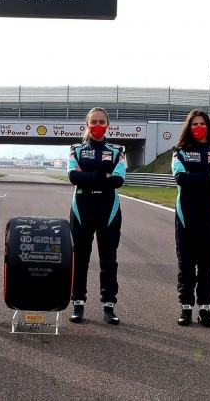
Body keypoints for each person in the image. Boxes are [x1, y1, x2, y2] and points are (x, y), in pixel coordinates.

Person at [171, 109, 210, 328]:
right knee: (185, 263)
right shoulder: (180, 151)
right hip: (186, 213)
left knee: (207, 264)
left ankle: (205, 308)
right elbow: (181, 178)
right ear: (189, 126)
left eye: (202, 124)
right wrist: (209, 175)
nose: (198, 128)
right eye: (194, 124)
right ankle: (186, 307)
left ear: (208, 126)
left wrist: (197, 177)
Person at [67, 107, 126, 325]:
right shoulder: (76, 150)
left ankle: (108, 305)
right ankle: (78, 303)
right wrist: (104, 174)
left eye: (102, 121)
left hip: (108, 209)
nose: (98, 125)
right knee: (79, 258)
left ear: (108, 125)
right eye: (94, 121)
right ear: (87, 124)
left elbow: (118, 180)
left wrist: (89, 176)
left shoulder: (118, 150)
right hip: (82, 208)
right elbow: (73, 176)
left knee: (108, 259)